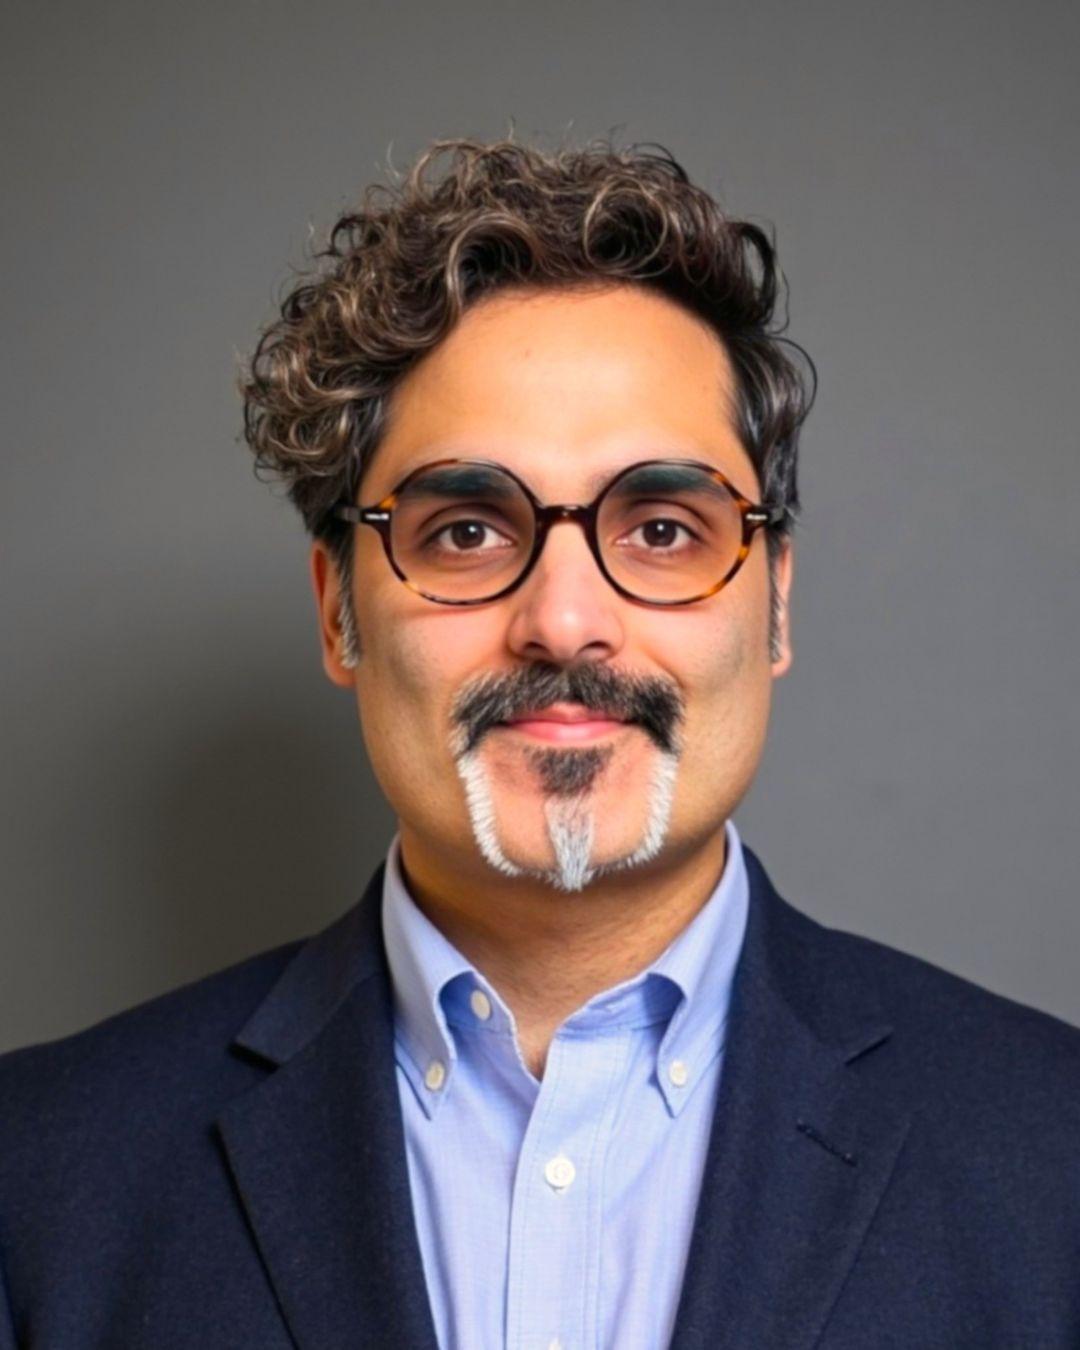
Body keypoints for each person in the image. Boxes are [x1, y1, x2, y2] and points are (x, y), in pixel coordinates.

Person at [1, 137, 1077, 1350]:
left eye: (664, 527)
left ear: (774, 604)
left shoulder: (1057, 1158)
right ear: (338, 613)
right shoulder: (34, 1184)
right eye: (465, 530)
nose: (565, 619)